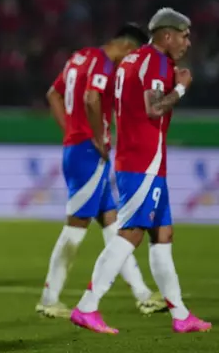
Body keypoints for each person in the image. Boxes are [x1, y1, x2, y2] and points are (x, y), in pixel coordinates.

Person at [71, 8, 212, 334]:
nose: (187, 42)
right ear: (167, 35)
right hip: (142, 162)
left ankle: (180, 315)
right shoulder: (156, 62)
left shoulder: (133, 60)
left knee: (163, 235)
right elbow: (153, 107)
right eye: (184, 35)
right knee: (132, 232)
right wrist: (181, 89)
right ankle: (87, 306)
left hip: (143, 160)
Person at [39, 24, 167, 318]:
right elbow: (91, 98)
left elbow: (53, 95)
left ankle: (142, 294)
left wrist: (71, 131)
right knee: (76, 226)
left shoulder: (80, 57)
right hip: (88, 152)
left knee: (112, 224)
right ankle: (48, 298)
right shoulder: (104, 64)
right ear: (128, 48)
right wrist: (96, 137)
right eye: (134, 57)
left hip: (79, 147)